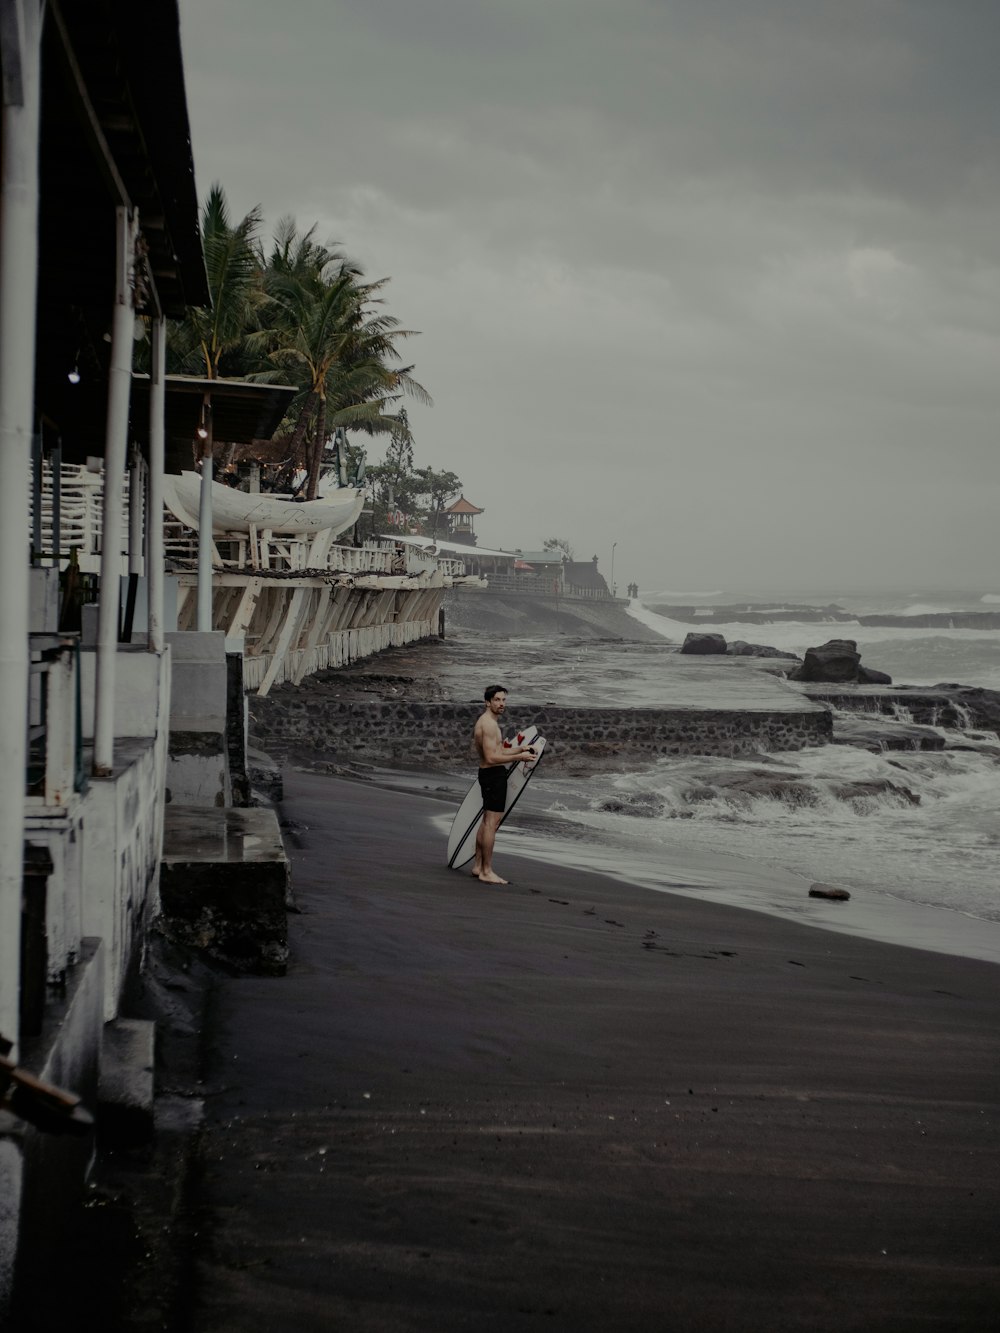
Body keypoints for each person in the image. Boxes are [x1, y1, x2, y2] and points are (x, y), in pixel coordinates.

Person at [471, 684, 537, 884]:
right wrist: (521, 758)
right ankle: (487, 871)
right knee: (492, 823)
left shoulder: (488, 722)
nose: (501, 704)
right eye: (497, 700)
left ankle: (477, 866)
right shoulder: (489, 725)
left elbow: (498, 751)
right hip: (493, 776)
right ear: (487, 702)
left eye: (503, 700)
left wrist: (520, 750)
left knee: (485, 822)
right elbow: (491, 758)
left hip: (488, 775)